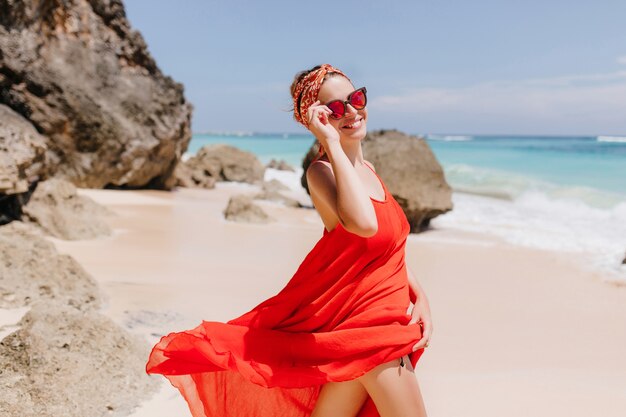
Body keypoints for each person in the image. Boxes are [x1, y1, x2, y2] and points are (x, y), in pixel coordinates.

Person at [145, 63, 433, 417]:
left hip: (365, 335)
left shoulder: (369, 169)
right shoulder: (322, 173)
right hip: (371, 337)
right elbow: (364, 225)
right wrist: (329, 142)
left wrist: (420, 297)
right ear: (316, 119)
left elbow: (387, 248)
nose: (353, 111)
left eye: (356, 98)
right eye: (337, 108)